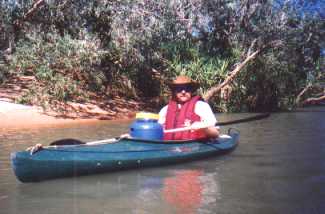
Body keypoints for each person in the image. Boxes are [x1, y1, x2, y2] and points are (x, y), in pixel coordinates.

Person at [159, 75, 219, 140]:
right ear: (175, 91)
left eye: (187, 88)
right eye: (179, 89)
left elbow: (216, 133)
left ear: (191, 90)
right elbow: (157, 130)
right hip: (169, 147)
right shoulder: (165, 110)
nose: (183, 92)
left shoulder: (201, 106)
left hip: (195, 147)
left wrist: (204, 128)